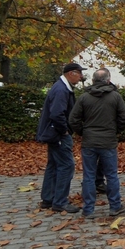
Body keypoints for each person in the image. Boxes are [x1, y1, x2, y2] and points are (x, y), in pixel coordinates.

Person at [69, 69, 125, 218]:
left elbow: (73, 119)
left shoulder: (84, 98)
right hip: (108, 141)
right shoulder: (115, 97)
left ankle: (88, 209)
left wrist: (83, 132)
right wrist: (115, 131)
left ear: (93, 81)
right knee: (111, 175)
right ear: (108, 80)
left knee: (88, 176)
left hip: (89, 141)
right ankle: (115, 206)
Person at [37, 63, 86, 213]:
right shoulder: (61, 90)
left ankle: (48, 198)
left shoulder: (60, 87)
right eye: (79, 73)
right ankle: (60, 202)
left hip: (54, 134)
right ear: (71, 73)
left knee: (53, 164)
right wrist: (64, 131)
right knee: (67, 165)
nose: (81, 76)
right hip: (58, 135)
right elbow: (57, 114)